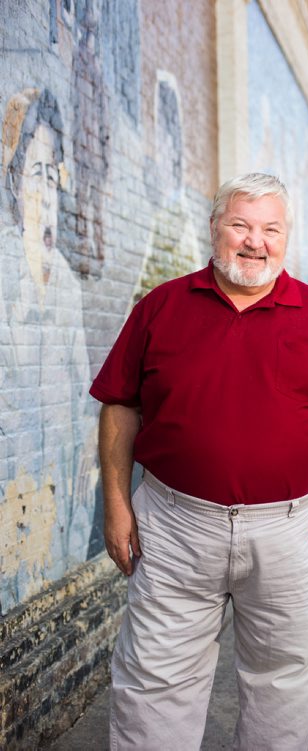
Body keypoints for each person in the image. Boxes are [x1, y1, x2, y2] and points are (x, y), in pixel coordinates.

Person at [90, 173, 308, 750]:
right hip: (174, 526)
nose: (256, 242)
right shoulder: (161, 308)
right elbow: (120, 407)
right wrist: (118, 505)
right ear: (216, 229)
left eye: (271, 229)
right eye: (241, 225)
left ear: (285, 238)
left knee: (286, 687)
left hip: (293, 530)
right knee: (153, 684)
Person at [0, 88, 97, 609]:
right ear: (13, 180)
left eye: (52, 175)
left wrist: (85, 435)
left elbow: (84, 392)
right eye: (34, 173)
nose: (45, 191)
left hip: (57, 482)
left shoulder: (65, 283)